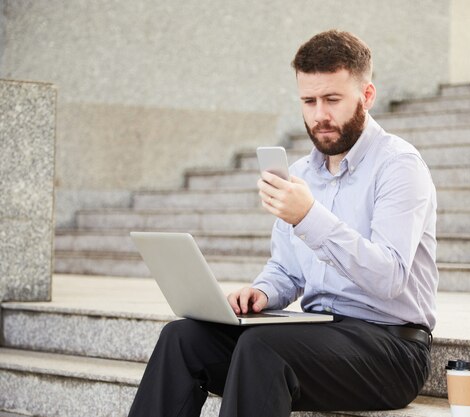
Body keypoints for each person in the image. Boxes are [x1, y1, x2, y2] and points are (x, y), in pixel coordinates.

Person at [128, 29, 438, 417]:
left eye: (332, 99)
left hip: (390, 350)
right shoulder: (300, 172)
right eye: (308, 101)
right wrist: (262, 292)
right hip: (319, 334)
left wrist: (308, 217)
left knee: (265, 348)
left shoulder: (399, 166)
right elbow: (287, 270)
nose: (319, 115)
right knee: (183, 337)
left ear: (367, 95)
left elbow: (389, 277)